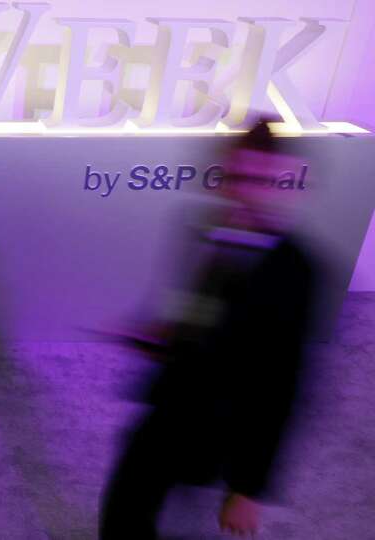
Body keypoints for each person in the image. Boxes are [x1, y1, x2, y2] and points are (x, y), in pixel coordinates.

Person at [99, 121, 318, 538]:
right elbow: (192, 312)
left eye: (256, 179)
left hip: (222, 431)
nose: (240, 190)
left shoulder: (296, 270)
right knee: (121, 520)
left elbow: (284, 387)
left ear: (279, 181)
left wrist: (247, 489)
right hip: (168, 410)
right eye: (233, 176)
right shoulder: (202, 229)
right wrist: (156, 336)